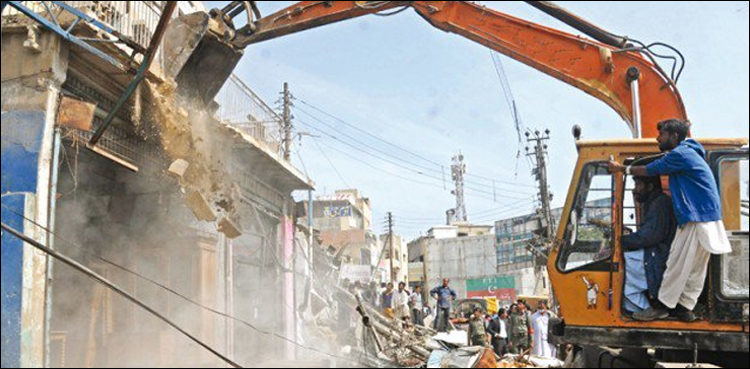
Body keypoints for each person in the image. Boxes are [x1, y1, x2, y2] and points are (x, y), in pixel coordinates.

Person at [609, 119, 732, 322]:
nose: (658, 138)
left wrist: (622, 169)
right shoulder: (691, 154)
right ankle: (685, 307)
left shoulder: (680, 154)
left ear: (674, 136)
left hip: (695, 216)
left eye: (662, 134)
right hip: (708, 217)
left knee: (676, 263)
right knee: (694, 268)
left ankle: (662, 306)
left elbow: (653, 168)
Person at [621, 175, 676, 313]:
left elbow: (648, 237)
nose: (634, 190)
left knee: (621, 262)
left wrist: (621, 240)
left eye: (638, 185)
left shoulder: (660, 203)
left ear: (650, 186)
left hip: (659, 255)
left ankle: (645, 308)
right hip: (657, 251)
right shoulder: (656, 202)